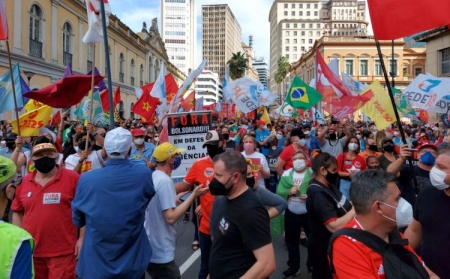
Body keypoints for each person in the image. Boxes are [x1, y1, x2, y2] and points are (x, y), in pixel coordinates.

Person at [72, 127, 155, 279]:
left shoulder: (87, 179)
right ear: (129, 149)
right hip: (133, 261)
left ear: (105, 149)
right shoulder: (143, 174)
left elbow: (78, 219)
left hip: (96, 262)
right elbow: (146, 200)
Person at [330, 170, 438, 279]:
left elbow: (427, 274)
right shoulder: (347, 246)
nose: (404, 204)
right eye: (397, 199)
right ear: (378, 207)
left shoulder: (394, 235)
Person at [11, 142, 81, 279]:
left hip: (63, 252)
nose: (45, 157)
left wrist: (82, 238)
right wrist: (18, 241)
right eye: (40, 155)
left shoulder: (72, 178)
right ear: (32, 160)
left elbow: (83, 212)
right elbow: (17, 211)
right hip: (32, 252)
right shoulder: (25, 182)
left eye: (49, 154)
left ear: (56, 157)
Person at [145, 142, 209, 279]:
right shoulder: (165, 181)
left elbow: (159, 204)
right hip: (161, 250)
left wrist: (175, 200)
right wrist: (193, 196)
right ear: (170, 159)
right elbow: (171, 218)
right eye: (176, 155)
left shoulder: (154, 176)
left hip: (151, 246)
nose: (178, 157)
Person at [209, 151, 276, 278]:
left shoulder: (251, 211)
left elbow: (267, 264)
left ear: (235, 177)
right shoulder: (225, 198)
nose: (213, 180)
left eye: (218, 175)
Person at [174, 130, 225, 279]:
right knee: (205, 267)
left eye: (213, 145)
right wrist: (160, 184)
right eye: (207, 146)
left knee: (227, 267)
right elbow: (184, 185)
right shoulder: (199, 164)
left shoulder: (234, 162)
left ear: (222, 144)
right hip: (206, 227)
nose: (210, 149)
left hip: (229, 228)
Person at [306, 152, 355, 279]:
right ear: (322, 170)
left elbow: (342, 204)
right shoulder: (318, 193)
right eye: (333, 170)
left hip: (336, 246)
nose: (336, 173)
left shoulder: (329, 185)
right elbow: (333, 226)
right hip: (323, 249)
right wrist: (355, 210)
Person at [404, 149, 450, 278]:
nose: (435, 170)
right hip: (427, 273)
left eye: (441, 167)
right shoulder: (427, 193)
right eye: (435, 165)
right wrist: (401, 255)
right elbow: (414, 230)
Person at [275, 151, 312, 278]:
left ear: (306, 159)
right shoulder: (287, 174)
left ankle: (313, 266)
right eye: (295, 159)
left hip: (309, 213)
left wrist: (309, 196)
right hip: (291, 212)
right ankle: (293, 267)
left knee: (314, 241)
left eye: (301, 158)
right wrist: (289, 192)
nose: (298, 161)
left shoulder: (312, 174)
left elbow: (318, 190)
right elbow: (279, 191)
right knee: (291, 242)